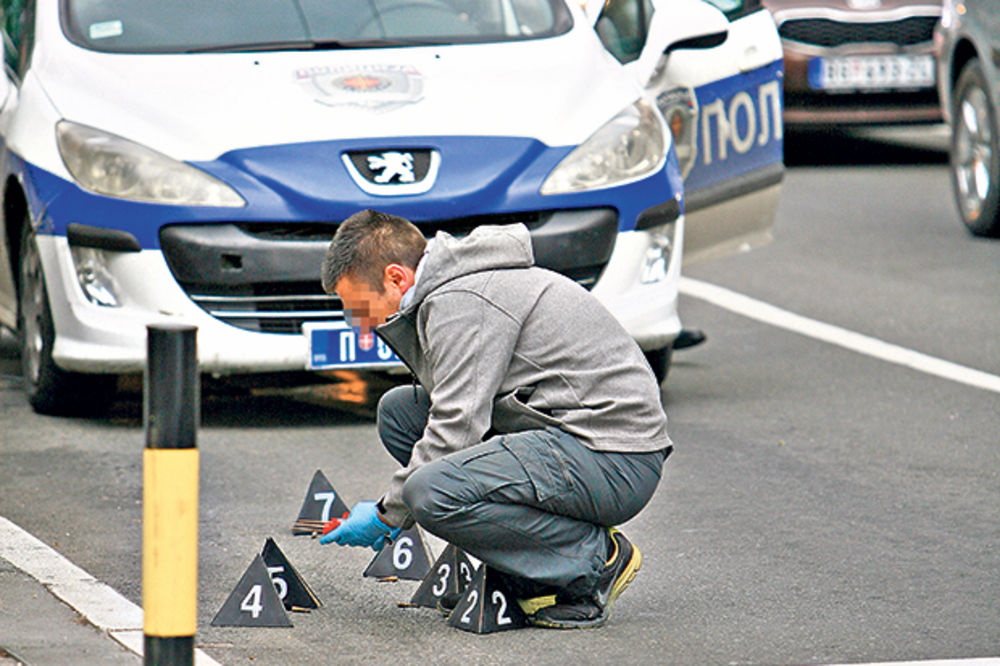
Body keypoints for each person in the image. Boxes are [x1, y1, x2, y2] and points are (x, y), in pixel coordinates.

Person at [318, 209, 673, 629]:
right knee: (400, 414)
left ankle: (595, 561)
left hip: (613, 457)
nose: (360, 324)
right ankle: (528, 566)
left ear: (397, 278)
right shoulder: (452, 290)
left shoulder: (464, 301)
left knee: (430, 492)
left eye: (359, 307)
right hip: (569, 438)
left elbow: (456, 427)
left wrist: (385, 514)